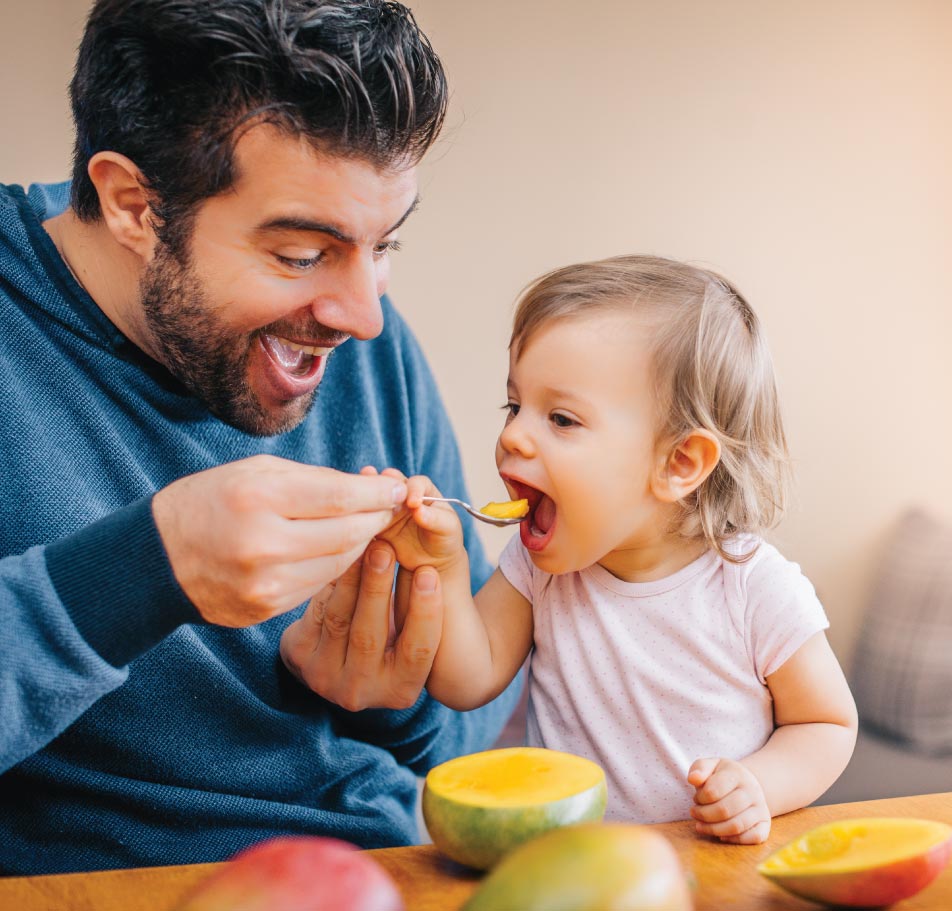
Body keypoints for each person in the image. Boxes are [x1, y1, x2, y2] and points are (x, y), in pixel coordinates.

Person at [0, 0, 518, 875]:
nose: (364, 317)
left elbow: (476, 735)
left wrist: (395, 701)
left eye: (385, 243)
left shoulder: (360, 342)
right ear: (134, 205)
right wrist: (148, 568)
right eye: (302, 256)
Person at [381, 255, 858, 843]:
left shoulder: (753, 585)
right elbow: (465, 679)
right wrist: (443, 566)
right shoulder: (539, 568)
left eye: (560, 418)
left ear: (678, 463)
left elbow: (827, 722)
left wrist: (759, 784)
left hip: (709, 868)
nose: (511, 435)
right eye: (514, 406)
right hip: (573, 864)